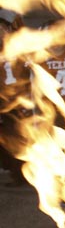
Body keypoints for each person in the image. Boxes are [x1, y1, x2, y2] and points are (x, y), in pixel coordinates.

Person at [0, 16, 30, 187]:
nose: (1, 33)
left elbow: (29, 72)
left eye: (4, 29)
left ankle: (24, 174)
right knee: (6, 139)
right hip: (4, 101)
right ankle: (15, 172)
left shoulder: (19, 49)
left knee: (20, 138)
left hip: (19, 100)